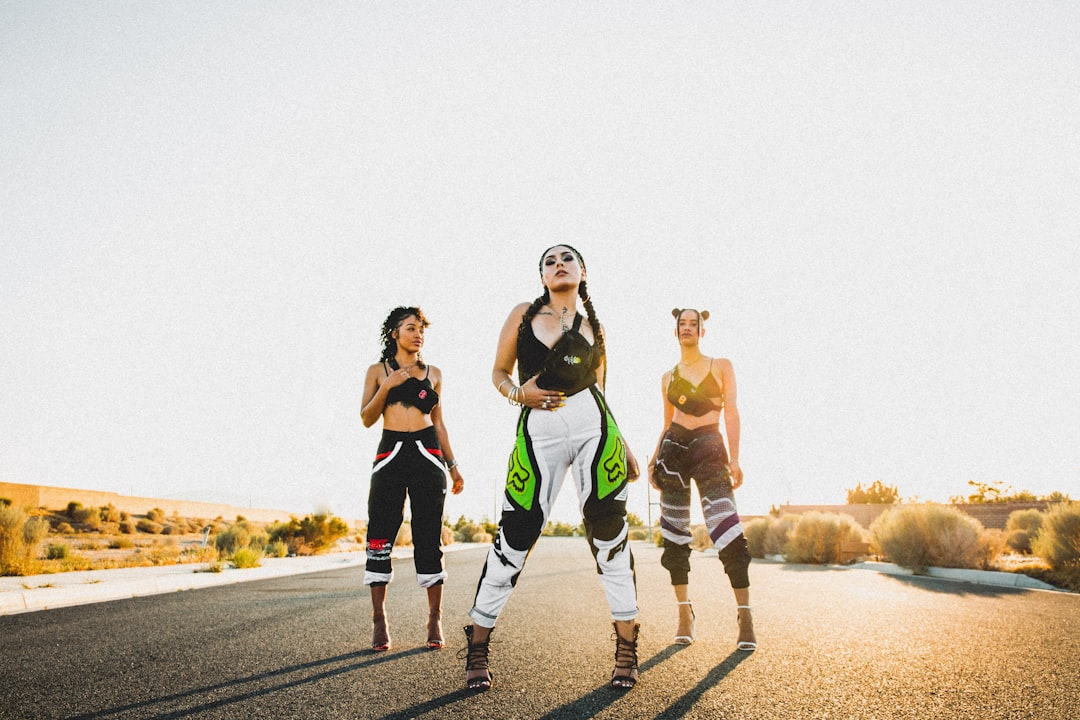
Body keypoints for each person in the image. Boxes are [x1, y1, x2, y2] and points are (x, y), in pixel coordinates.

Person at [464, 245, 642, 692]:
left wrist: (624, 442)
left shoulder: (594, 326)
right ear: (543, 277)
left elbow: (602, 389)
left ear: (583, 271)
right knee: (516, 531)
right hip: (538, 432)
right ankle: (479, 645)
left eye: (567, 258)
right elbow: (499, 372)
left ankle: (626, 647)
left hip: (593, 429)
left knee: (609, 532)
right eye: (549, 261)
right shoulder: (523, 314)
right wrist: (517, 395)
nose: (558, 263)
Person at [648, 308, 756, 652]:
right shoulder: (667, 377)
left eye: (694, 324)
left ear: (703, 331)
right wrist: (654, 460)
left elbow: (733, 411)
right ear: (675, 331)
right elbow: (667, 423)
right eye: (682, 324)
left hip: (711, 446)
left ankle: (745, 614)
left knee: (727, 528)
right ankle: (684, 614)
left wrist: (735, 458)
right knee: (674, 534)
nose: (688, 329)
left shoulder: (721, 365)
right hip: (674, 449)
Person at [360, 306, 465, 652]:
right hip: (390, 452)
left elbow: (440, 423)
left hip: (426, 453)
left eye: (421, 329)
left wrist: (452, 466)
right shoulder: (378, 371)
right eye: (410, 328)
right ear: (395, 333)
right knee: (380, 533)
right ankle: (379, 619)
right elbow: (366, 418)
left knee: (428, 533)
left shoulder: (433, 373)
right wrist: (389, 385)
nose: (418, 334)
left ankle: (434, 618)